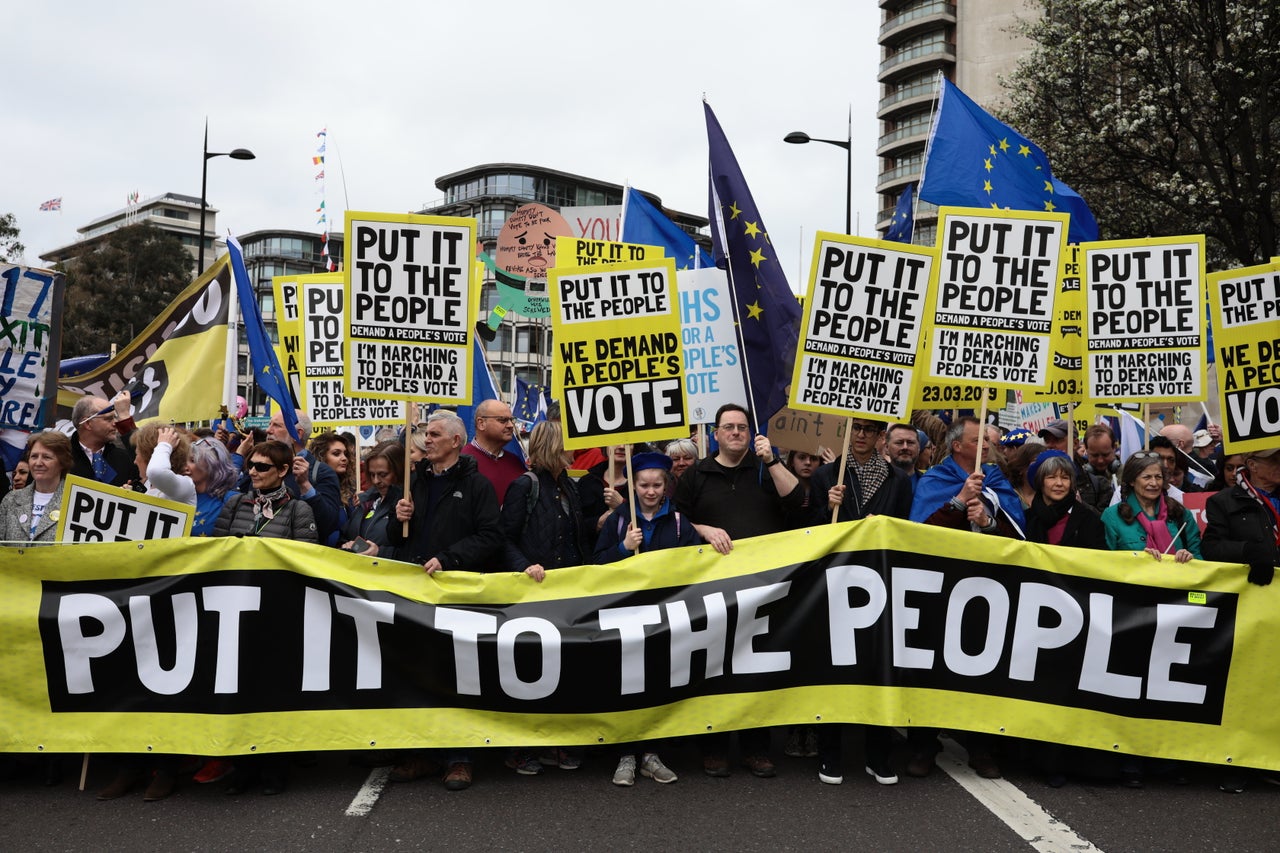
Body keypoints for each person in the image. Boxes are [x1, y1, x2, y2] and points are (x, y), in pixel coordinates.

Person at [674, 403, 803, 779]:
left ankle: (755, 748)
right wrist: (703, 530)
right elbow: (676, 519)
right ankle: (713, 746)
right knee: (714, 667)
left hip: (764, 589)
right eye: (728, 427)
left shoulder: (766, 467)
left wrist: (774, 461)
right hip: (713, 589)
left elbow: (797, 502)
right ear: (715, 433)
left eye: (742, 427)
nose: (735, 432)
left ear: (752, 433)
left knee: (755, 669)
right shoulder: (697, 474)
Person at [386, 410, 503, 792]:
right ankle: (423, 751)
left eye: (434, 434)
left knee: (457, 674)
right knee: (419, 671)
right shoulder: (414, 481)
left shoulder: (476, 485)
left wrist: (450, 558)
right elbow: (397, 537)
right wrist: (397, 518)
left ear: (456, 441)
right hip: (417, 591)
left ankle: (459, 757)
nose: (426, 439)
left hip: (456, 592)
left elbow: (490, 536)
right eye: (424, 432)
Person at [907, 416, 1024, 779]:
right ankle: (924, 743)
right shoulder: (936, 480)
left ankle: (979, 745)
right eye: (978, 440)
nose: (986, 445)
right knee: (930, 666)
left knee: (979, 665)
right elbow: (919, 533)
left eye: (987, 441)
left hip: (984, 590)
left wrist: (989, 523)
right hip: (939, 588)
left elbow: (1019, 536)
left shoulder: (997, 481)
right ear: (957, 446)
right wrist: (958, 502)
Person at [808, 417, 913, 788]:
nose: (864, 435)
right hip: (835, 583)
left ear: (880, 436)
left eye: (871, 430)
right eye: (859, 429)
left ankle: (879, 755)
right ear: (849, 432)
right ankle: (830, 752)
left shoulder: (899, 480)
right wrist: (826, 508)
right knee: (834, 668)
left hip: (880, 585)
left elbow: (905, 531)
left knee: (877, 667)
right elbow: (807, 532)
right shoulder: (826, 477)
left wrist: (881, 526)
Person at [212, 440, 317, 796]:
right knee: (239, 692)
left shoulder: (298, 510)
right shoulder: (234, 502)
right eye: (251, 466)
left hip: (277, 615)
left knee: (275, 693)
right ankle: (243, 767)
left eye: (262, 467)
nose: (253, 472)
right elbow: (214, 551)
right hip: (235, 612)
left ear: (283, 471)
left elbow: (307, 561)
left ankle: (275, 767)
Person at [595, 452, 701, 786]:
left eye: (657, 485)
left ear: (666, 485)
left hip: (665, 617)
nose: (651, 491)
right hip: (625, 617)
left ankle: (652, 754)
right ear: (633, 486)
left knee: (658, 683)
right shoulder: (617, 521)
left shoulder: (681, 522)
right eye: (643, 485)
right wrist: (623, 548)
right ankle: (626, 754)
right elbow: (596, 566)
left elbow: (697, 566)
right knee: (626, 685)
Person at [1202, 445, 1280, 793]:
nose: (1279, 466)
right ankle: (1234, 761)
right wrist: (1248, 552)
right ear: (1251, 464)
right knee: (1244, 685)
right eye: (1273, 460)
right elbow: (1212, 548)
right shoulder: (1224, 502)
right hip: (1252, 607)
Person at [237, 409, 342, 545]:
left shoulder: (321, 472)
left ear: (297, 434)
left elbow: (328, 524)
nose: (268, 430)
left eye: (277, 425)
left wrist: (305, 486)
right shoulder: (257, 466)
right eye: (269, 424)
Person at [1101, 452, 1201, 562]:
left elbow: (1198, 557)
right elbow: (1107, 562)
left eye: (1158, 477)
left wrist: (1189, 558)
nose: (1154, 483)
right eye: (1147, 477)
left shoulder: (1180, 513)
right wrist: (1140, 558)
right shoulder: (1112, 516)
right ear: (1132, 481)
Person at [0, 432, 73, 545]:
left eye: (46, 457)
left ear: (62, 462)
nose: (38, 463)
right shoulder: (11, 500)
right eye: (34, 456)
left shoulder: (75, 500)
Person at [339, 440, 404, 559]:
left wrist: (380, 552)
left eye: (383, 474)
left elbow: (412, 552)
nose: (376, 481)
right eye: (372, 474)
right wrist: (347, 544)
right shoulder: (365, 500)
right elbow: (345, 534)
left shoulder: (405, 506)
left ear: (398, 471)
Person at [462, 399, 528, 506]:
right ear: (481, 423)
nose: (511, 425)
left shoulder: (515, 461)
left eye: (512, 420)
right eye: (503, 420)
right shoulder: (462, 460)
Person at [68, 391, 139, 487]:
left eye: (115, 418)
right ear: (88, 424)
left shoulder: (123, 458)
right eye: (108, 419)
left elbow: (146, 463)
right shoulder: (60, 455)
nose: (115, 423)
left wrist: (125, 416)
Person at [188, 437, 241, 537]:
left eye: (192, 460)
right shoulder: (178, 495)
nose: (185, 466)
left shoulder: (232, 500)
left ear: (212, 464)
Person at [133, 424, 196, 506]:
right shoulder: (149, 485)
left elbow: (156, 472)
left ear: (149, 457)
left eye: (137, 454)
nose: (135, 461)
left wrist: (164, 444)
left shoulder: (186, 485)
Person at [1077, 424, 1119, 514]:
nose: (1100, 460)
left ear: (1114, 448)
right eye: (1095, 455)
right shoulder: (1079, 478)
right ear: (1086, 450)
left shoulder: (1128, 474)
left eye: (1105, 455)